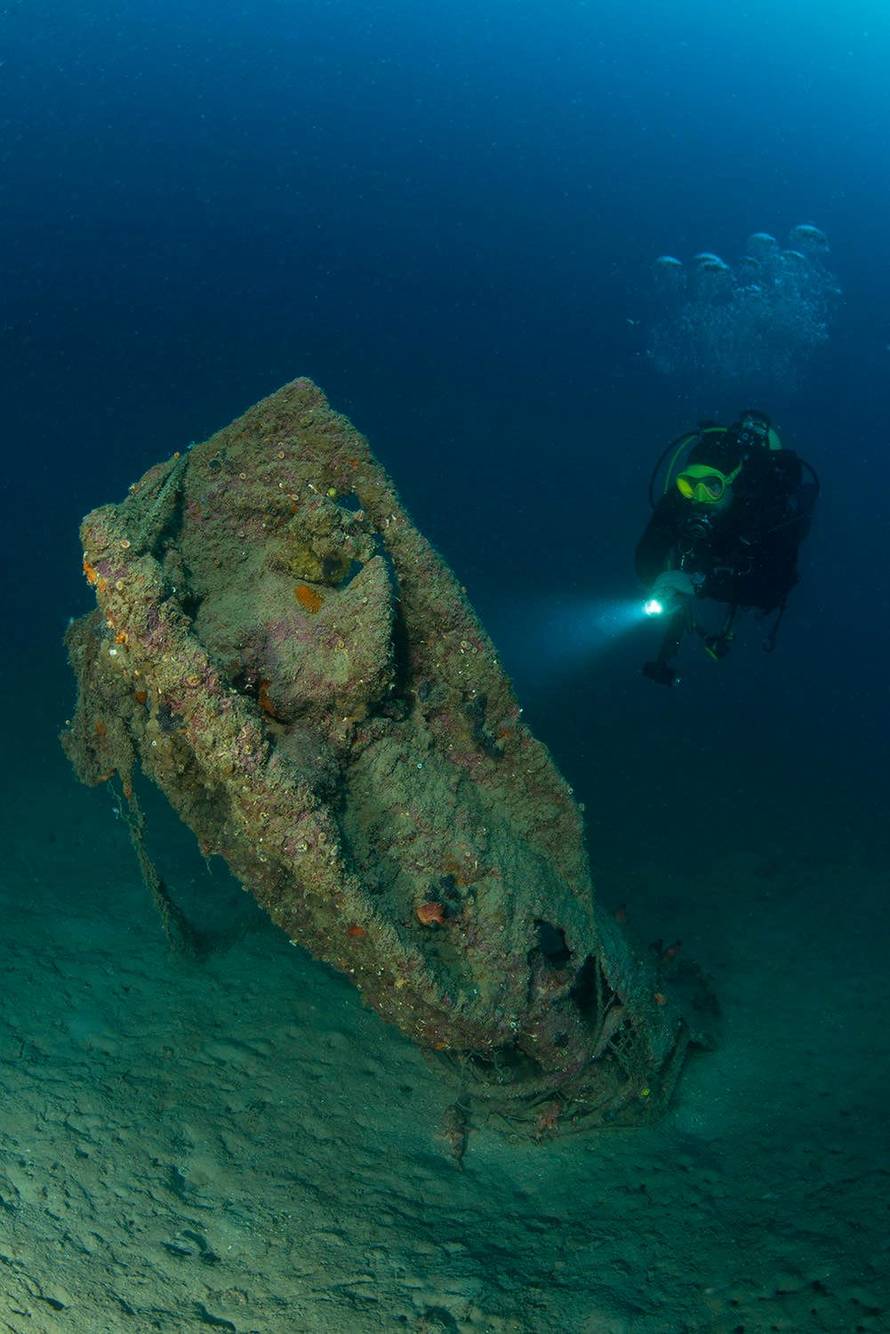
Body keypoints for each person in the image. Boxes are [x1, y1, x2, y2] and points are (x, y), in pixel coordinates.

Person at [636, 410, 818, 685]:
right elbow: (648, 550)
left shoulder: (765, 513)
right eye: (689, 484)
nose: (698, 497)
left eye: (712, 486)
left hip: (742, 567)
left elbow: (772, 589)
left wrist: (701, 585)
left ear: (733, 483)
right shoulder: (680, 498)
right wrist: (657, 581)